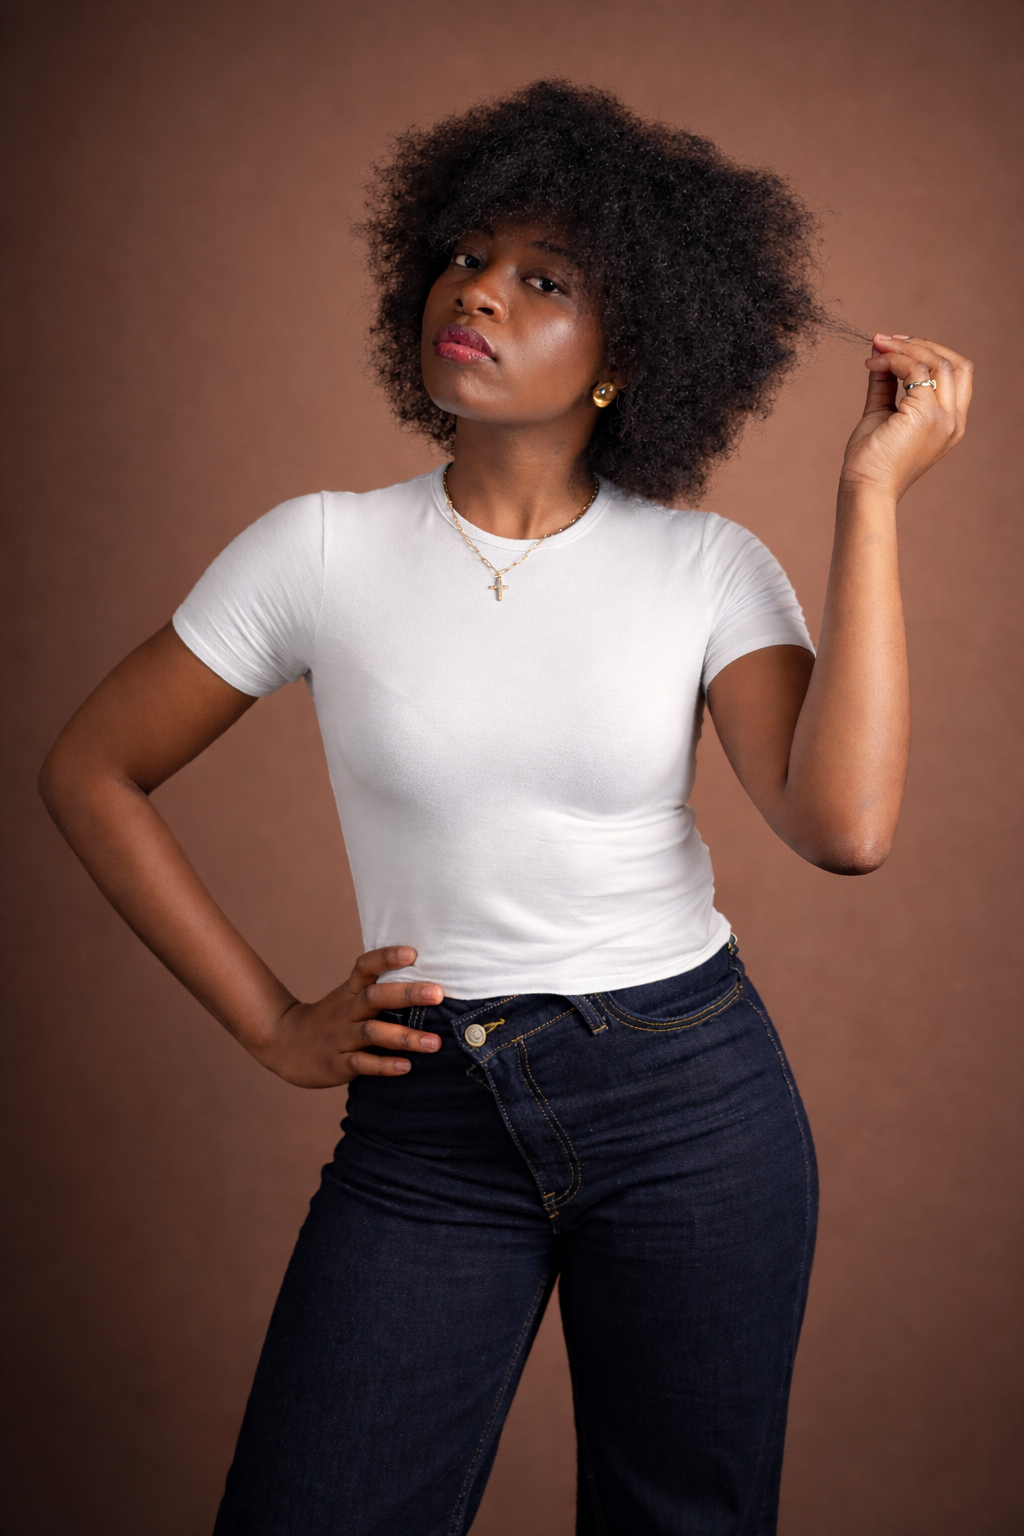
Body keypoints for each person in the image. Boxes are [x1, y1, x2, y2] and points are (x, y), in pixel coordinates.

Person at [39, 80, 971, 1536]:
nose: (479, 291)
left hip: (689, 1107)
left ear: (628, 354)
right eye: (468, 257)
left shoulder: (707, 567)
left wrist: (871, 495)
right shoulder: (319, 551)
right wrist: (272, 1023)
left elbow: (843, 826)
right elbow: (89, 769)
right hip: (429, 1127)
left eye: (546, 281)